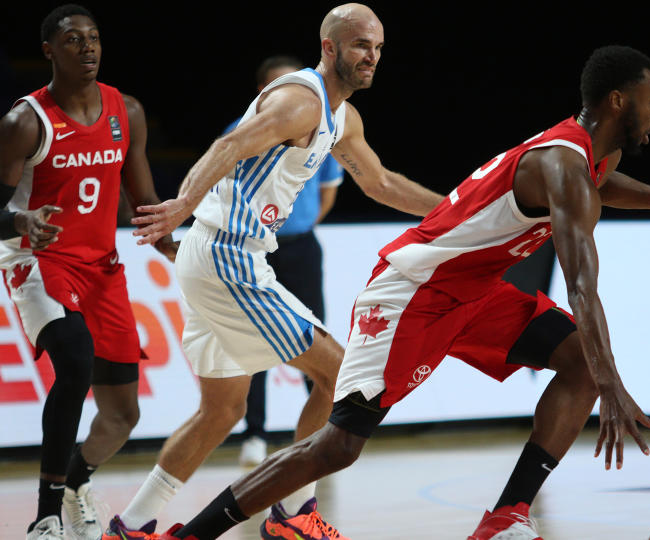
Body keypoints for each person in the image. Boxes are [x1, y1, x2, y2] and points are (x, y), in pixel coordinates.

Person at [154, 45, 650, 540]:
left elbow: (603, 182)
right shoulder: (563, 166)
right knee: (336, 447)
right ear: (619, 101)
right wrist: (615, 382)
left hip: (475, 290)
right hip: (414, 291)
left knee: (577, 363)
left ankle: (505, 516)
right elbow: (583, 286)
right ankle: (191, 535)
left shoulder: (589, 155)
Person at [102, 4, 443, 539]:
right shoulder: (300, 101)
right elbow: (231, 143)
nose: (371, 57)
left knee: (222, 410)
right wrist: (181, 203)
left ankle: (131, 525)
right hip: (227, 256)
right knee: (341, 375)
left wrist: (456, 209)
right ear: (329, 47)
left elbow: (380, 183)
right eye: (360, 45)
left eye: (377, 47)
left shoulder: (343, 118)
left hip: (219, 254)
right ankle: (294, 514)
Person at [0, 4, 177, 539]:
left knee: (124, 416)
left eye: (94, 38)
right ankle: (45, 515)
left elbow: (142, 199)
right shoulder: (24, 121)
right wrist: (22, 220)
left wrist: (173, 242)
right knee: (75, 363)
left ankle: (76, 485)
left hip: (103, 269)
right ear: (49, 50)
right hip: (39, 260)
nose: (88, 47)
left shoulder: (128, 112)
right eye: (73, 40)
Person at [223, 55, 345, 467]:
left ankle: (322, 434)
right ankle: (254, 434)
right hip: (250, 251)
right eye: (280, 86)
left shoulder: (319, 129)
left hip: (301, 248)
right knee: (255, 345)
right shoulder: (238, 133)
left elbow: (328, 189)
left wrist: (303, 222)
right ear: (262, 93)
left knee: (317, 339)